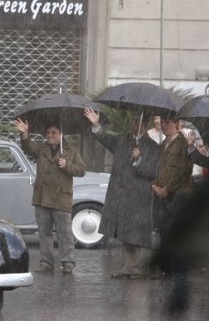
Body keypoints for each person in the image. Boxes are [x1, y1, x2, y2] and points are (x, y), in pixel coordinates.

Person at [84, 108, 159, 279]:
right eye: (132, 120)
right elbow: (105, 138)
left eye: (136, 120)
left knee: (139, 233)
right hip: (122, 193)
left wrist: (139, 159)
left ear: (144, 123)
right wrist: (96, 124)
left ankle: (140, 269)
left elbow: (153, 172)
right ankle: (127, 267)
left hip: (140, 196)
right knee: (125, 231)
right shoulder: (122, 139)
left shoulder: (153, 146)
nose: (133, 123)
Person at [13, 118, 86, 274]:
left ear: (61, 134)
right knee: (44, 233)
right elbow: (28, 147)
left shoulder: (71, 150)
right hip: (42, 198)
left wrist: (67, 165)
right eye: (48, 133)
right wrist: (25, 134)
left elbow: (81, 170)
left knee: (64, 233)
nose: (50, 135)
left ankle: (68, 262)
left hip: (61, 198)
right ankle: (46, 262)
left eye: (54, 132)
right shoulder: (42, 149)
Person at [151, 115, 194, 269]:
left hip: (178, 195)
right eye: (162, 123)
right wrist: (155, 185)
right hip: (162, 195)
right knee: (163, 230)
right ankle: (166, 267)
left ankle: (178, 267)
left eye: (167, 122)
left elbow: (183, 170)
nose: (163, 125)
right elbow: (159, 169)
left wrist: (167, 189)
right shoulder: (163, 144)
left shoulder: (184, 143)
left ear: (176, 124)